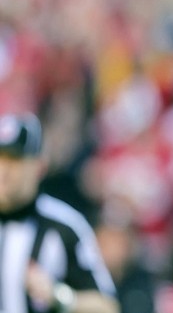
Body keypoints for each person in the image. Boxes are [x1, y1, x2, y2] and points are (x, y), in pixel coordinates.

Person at [0, 112, 119, 313]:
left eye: (14, 160)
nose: (4, 170)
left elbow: (108, 307)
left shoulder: (64, 226)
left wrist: (59, 296)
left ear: (39, 166)